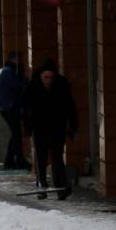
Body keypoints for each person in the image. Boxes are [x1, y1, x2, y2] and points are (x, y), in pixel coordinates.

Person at [22, 59, 77, 200]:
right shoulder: (33, 87)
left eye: (51, 77)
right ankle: (42, 185)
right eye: (45, 77)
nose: (48, 81)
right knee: (41, 157)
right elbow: (26, 110)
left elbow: (70, 107)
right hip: (39, 128)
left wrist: (72, 126)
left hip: (57, 127)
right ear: (40, 76)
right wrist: (27, 128)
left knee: (57, 157)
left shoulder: (62, 86)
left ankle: (61, 187)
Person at [0, 51, 29, 170]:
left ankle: (10, 160)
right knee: (16, 135)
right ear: (14, 59)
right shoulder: (8, 72)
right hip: (9, 107)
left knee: (15, 134)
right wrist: (24, 80)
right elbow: (17, 86)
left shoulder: (9, 71)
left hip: (9, 107)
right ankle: (19, 160)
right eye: (19, 59)